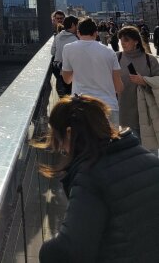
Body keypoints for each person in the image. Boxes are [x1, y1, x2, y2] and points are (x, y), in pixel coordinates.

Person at [35, 95, 159, 262]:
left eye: (60, 141)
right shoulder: (150, 160)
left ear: (69, 134)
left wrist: (46, 250)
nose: (62, 149)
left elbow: (69, 250)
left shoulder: (91, 176)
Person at [61, 17, 123, 127]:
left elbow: (67, 80)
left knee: (84, 143)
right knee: (111, 143)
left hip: (81, 106)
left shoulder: (68, 49)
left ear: (78, 33)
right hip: (108, 106)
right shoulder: (110, 52)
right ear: (96, 33)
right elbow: (118, 87)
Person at [117, 26, 159, 142]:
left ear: (136, 41)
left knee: (150, 150)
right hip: (125, 111)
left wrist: (144, 81)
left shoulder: (150, 60)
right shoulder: (117, 57)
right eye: (121, 40)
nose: (123, 43)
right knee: (132, 150)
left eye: (126, 40)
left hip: (148, 111)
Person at [52, 15, 78, 97]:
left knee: (63, 91)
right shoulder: (75, 39)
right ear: (73, 25)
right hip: (69, 70)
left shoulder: (57, 36)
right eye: (77, 25)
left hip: (57, 67)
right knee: (70, 90)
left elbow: (52, 52)